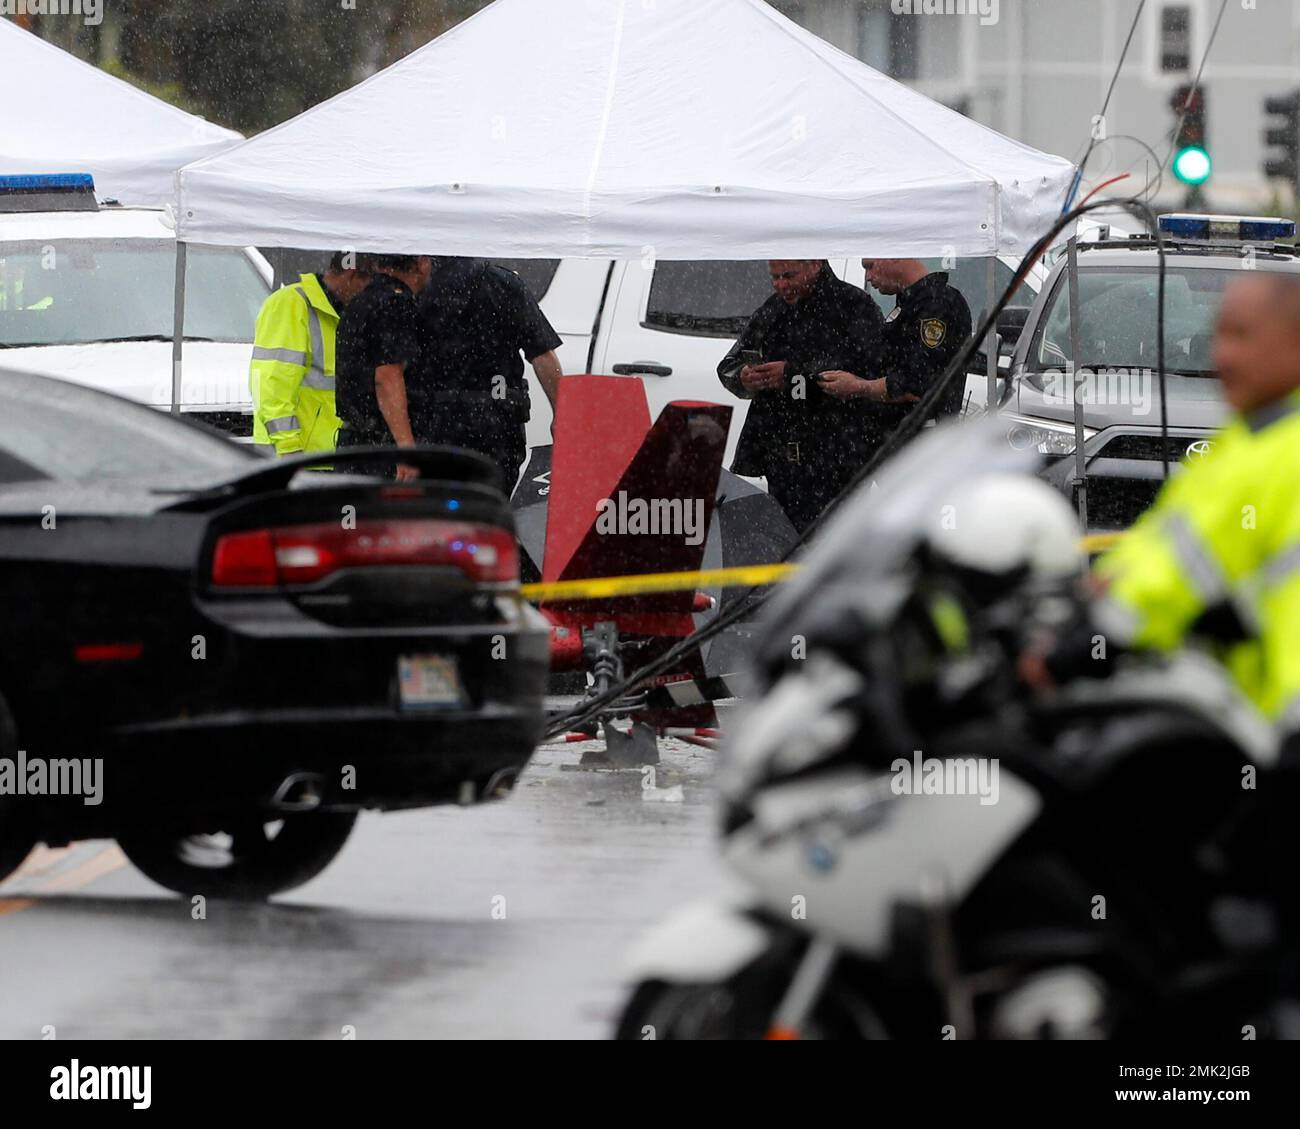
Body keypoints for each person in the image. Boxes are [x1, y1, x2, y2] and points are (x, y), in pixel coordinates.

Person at [1021, 272, 1300, 753]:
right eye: (1219, 335)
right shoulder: (1251, 438)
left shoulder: (1279, 452)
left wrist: (1074, 651)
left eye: (1243, 336)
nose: (1223, 356)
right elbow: (1170, 545)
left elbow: (1172, 581)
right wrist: (1099, 586)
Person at [717, 260, 884, 533]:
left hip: (838, 455)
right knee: (785, 539)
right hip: (782, 457)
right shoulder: (773, 309)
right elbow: (729, 365)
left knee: (832, 541)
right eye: (774, 277)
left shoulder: (854, 305)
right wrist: (745, 376)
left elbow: (868, 371)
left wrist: (794, 376)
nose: (781, 284)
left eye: (789, 275)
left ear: (814, 265)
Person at [407, 257, 563, 493]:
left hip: (432, 427)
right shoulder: (503, 282)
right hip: (495, 430)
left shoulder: (414, 285)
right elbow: (542, 354)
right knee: (491, 506)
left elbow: (389, 368)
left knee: (434, 507)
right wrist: (561, 414)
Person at [814, 258, 972, 419]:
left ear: (894, 256)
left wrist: (858, 387)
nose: (868, 276)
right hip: (902, 426)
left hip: (924, 428)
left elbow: (917, 384)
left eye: (870, 266)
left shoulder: (936, 304)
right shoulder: (911, 303)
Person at [248, 251, 369, 456]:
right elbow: (271, 386)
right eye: (368, 282)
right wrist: (289, 446)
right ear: (352, 274)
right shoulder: (290, 304)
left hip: (327, 454)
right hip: (295, 455)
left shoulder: (344, 310)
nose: (369, 292)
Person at [333, 253, 432, 481]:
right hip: (382, 447)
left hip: (356, 442)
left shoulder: (361, 299)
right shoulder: (395, 303)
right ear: (421, 262)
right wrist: (405, 447)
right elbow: (387, 377)